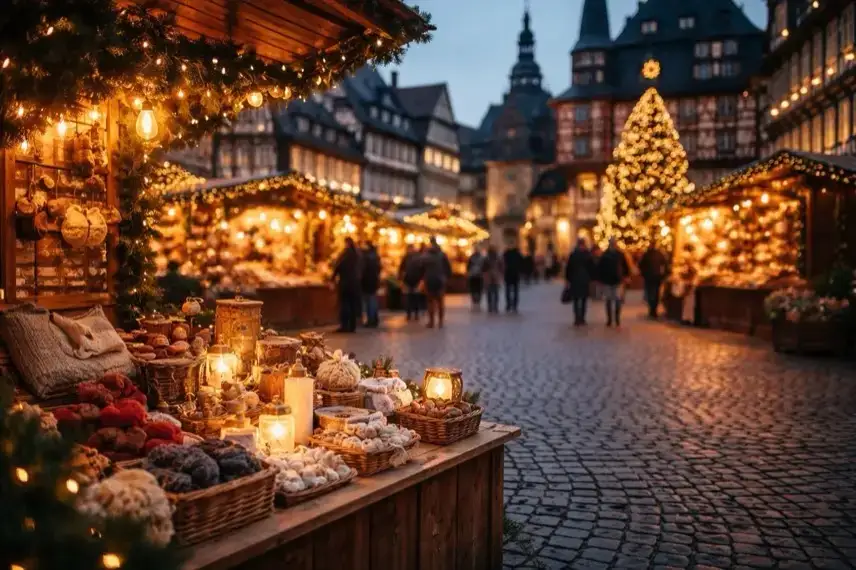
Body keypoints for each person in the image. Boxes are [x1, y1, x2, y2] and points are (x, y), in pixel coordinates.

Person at [597, 238, 631, 327]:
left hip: (616, 281)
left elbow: (625, 267)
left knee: (616, 300)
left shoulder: (617, 254)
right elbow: (600, 268)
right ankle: (611, 319)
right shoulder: (608, 255)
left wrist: (626, 276)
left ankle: (615, 319)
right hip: (611, 281)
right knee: (611, 300)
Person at [420, 237, 452, 328]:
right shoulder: (442, 255)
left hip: (429, 280)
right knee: (440, 301)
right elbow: (448, 268)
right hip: (440, 280)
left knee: (430, 301)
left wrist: (422, 277)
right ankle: (441, 322)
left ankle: (431, 322)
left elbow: (421, 267)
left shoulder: (425, 255)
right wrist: (447, 277)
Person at [332, 237, 362, 333]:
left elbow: (339, 266)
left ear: (346, 243)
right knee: (352, 305)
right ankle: (352, 326)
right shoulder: (357, 254)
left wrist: (332, 278)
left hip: (346, 283)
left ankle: (344, 325)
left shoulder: (345, 254)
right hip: (355, 284)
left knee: (345, 304)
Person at [565, 238, 596, 326]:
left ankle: (577, 318)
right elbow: (591, 267)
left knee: (576, 300)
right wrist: (592, 278)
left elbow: (569, 268)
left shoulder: (573, 254)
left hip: (575, 280)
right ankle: (582, 318)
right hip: (584, 280)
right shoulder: (587, 255)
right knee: (583, 300)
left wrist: (568, 279)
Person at [639, 242, 669, 319]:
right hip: (657, 277)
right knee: (656, 293)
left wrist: (643, 274)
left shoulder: (647, 254)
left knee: (650, 293)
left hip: (649, 277)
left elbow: (641, 265)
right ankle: (653, 310)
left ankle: (652, 309)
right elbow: (665, 264)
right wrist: (664, 275)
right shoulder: (659, 254)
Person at [398, 244, 423, 321]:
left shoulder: (406, 257)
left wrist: (401, 279)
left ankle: (411, 314)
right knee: (414, 297)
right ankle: (414, 314)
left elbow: (401, 269)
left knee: (410, 298)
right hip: (413, 280)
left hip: (410, 280)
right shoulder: (418, 257)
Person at [360, 241, 381, 327]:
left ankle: (370, 320)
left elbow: (362, 270)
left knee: (368, 301)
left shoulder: (365, 257)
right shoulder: (376, 256)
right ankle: (374, 319)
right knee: (372, 300)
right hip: (374, 281)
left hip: (367, 282)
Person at [502, 243, 523, 312]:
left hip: (511, 274)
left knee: (511, 291)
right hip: (512, 274)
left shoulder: (507, 254)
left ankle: (511, 305)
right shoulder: (515, 254)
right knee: (512, 291)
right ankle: (512, 305)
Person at [482, 246, 503, 314]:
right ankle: (494, 307)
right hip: (494, 277)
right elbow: (501, 268)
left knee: (490, 293)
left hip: (490, 278)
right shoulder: (497, 259)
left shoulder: (486, 259)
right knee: (494, 292)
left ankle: (491, 306)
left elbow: (483, 269)